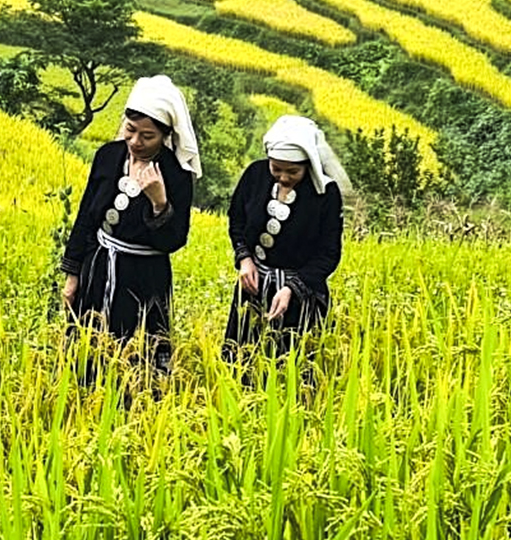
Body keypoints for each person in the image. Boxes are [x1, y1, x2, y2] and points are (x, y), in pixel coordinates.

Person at [61, 75, 199, 379]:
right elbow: (86, 217)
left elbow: (174, 240)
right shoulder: (108, 157)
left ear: (165, 135)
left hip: (144, 279)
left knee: (138, 362)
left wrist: (159, 202)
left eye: (147, 136)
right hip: (97, 268)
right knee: (85, 350)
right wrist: (73, 275)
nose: (136, 142)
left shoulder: (176, 175)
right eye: (130, 130)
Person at [223, 115, 346, 364]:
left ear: (308, 164)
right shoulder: (255, 176)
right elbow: (236, 219)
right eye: (276, 168)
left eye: (293, 171)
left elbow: (328, 253)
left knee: (293, 367)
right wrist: (245, 258)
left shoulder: (325, 194)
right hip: (254, 288)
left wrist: (293, 288)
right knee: (241, 361)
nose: (283, 177)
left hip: (302, 294)